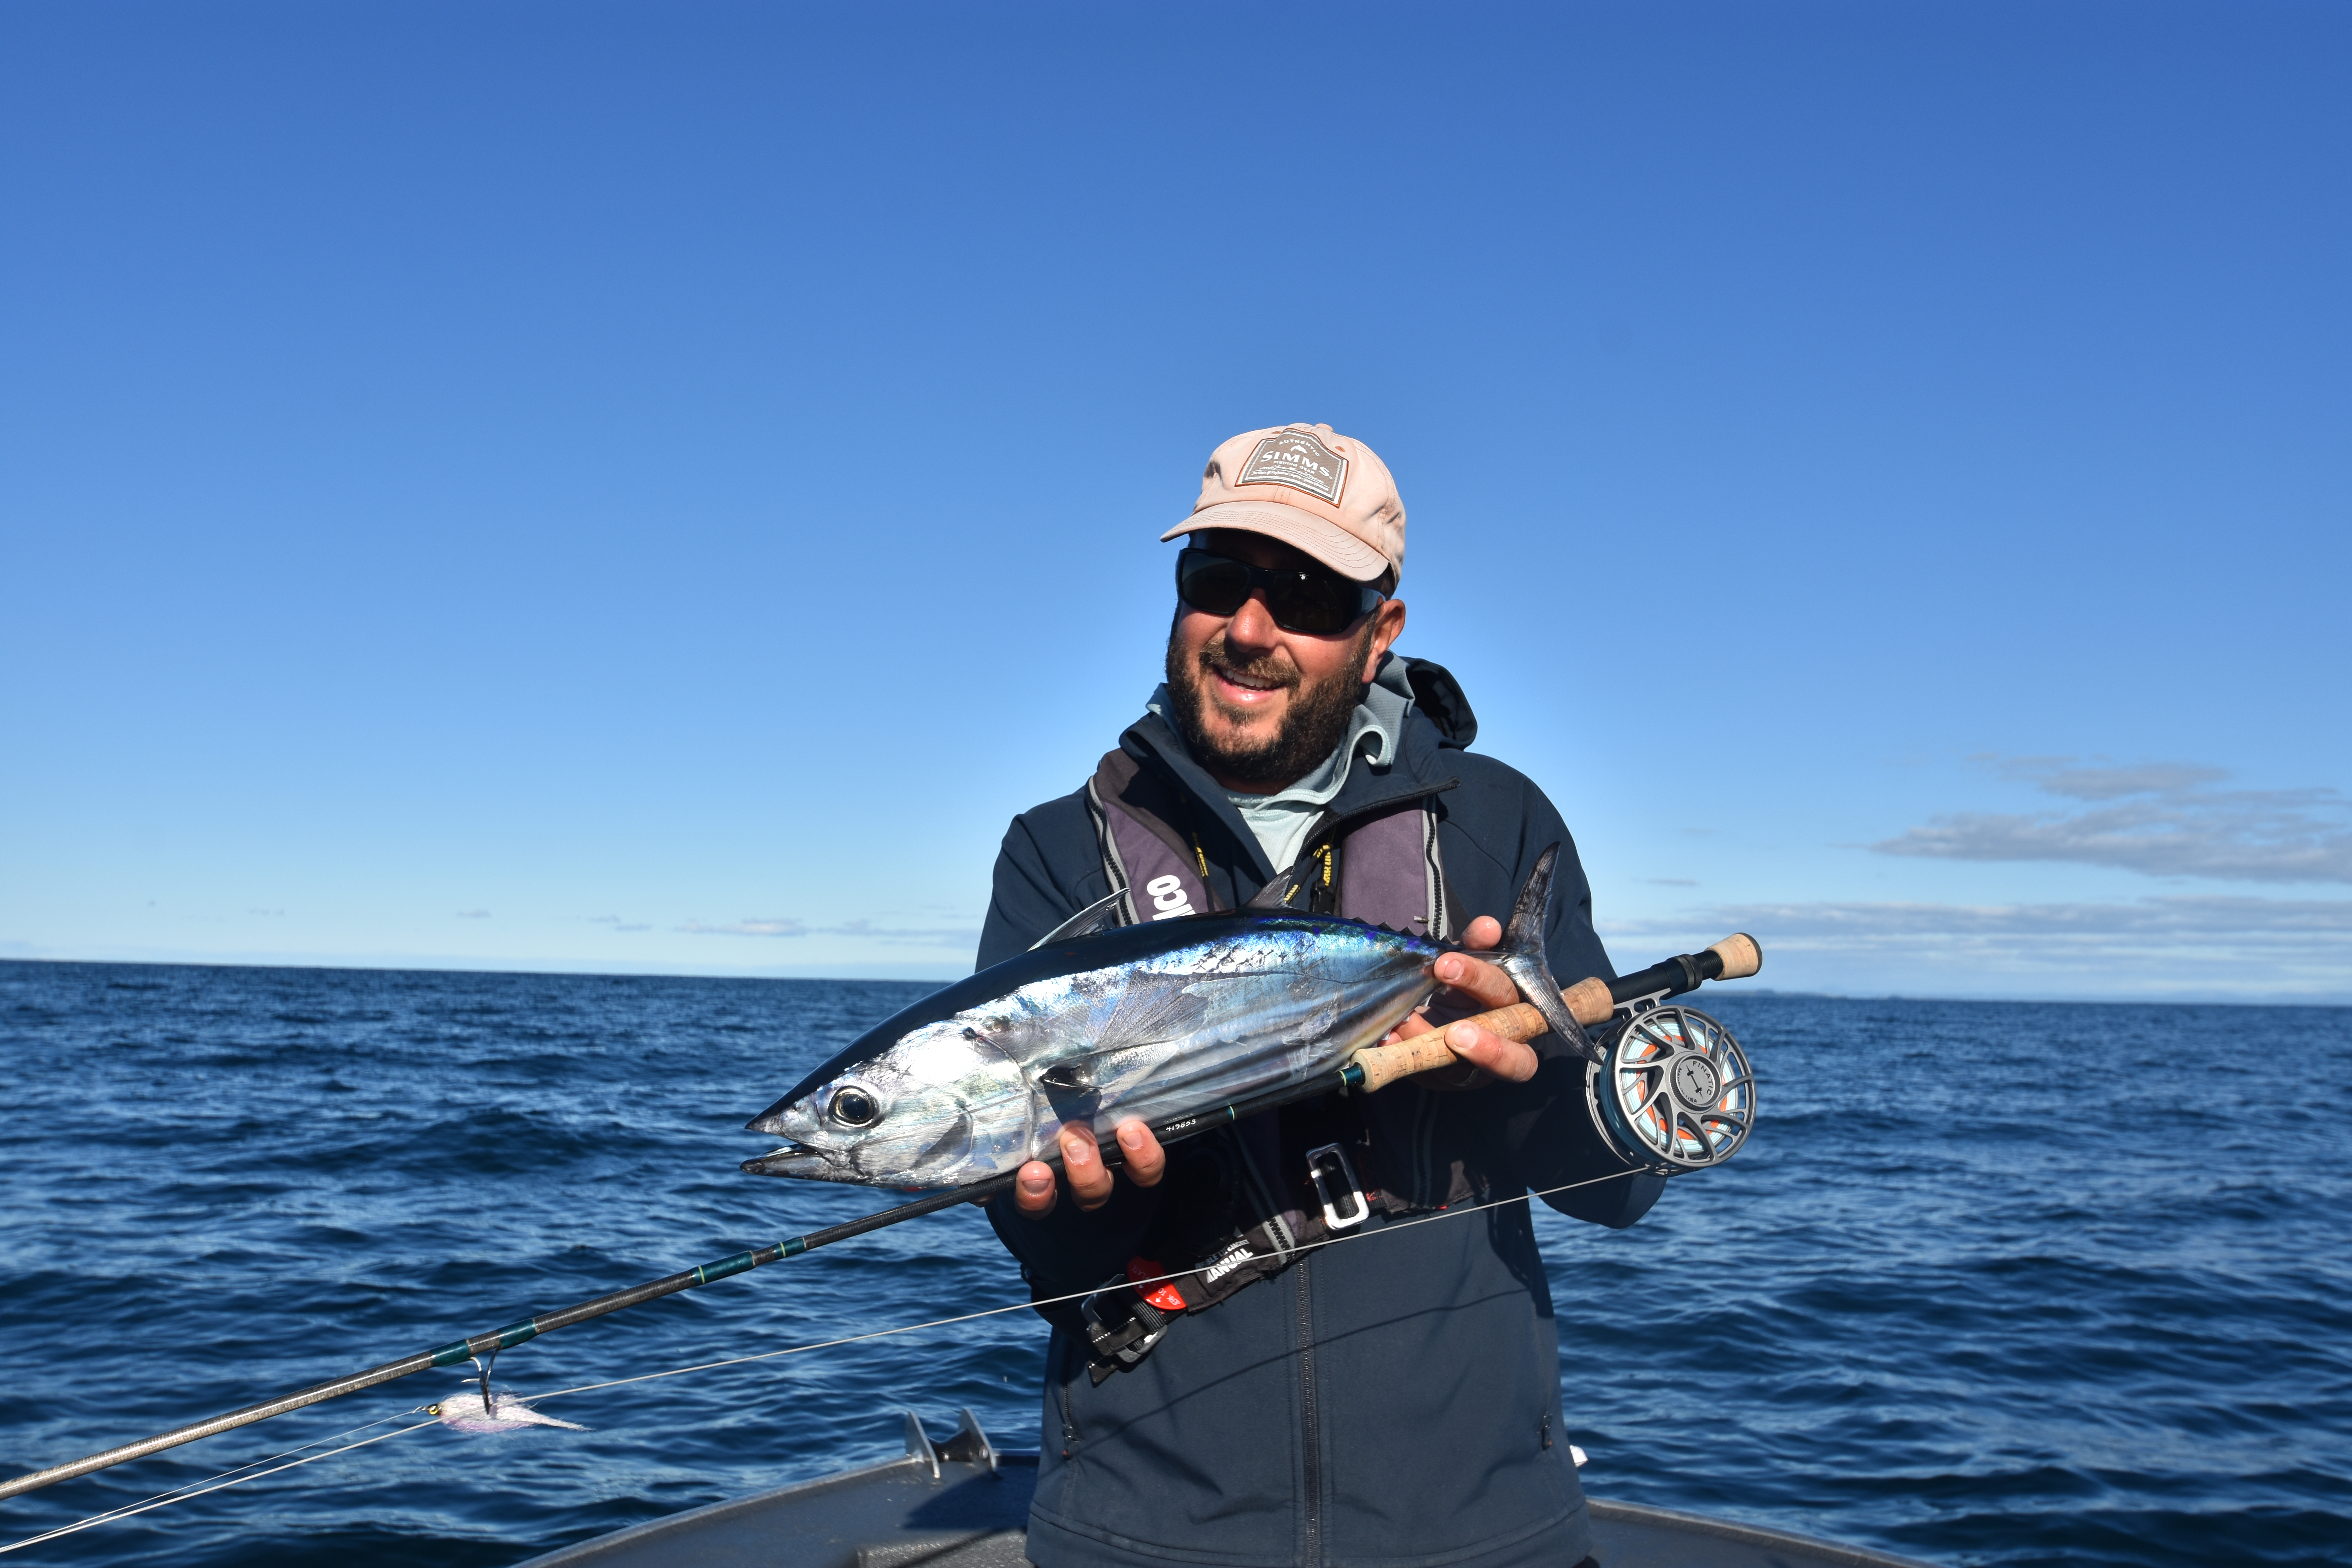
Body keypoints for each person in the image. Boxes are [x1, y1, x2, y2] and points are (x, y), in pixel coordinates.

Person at [976, 423, 1664, 1568]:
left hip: (1480, 1535)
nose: (1250, 629)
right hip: (1143, 1536)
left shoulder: (1497, 823)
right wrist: (1079, 1206)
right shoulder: (1059, 850)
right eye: (1218, 580)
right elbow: (1046, 1252)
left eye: (1307, 595)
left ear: (1381, 629)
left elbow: (1622, 1188)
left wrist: (1524, 1078)